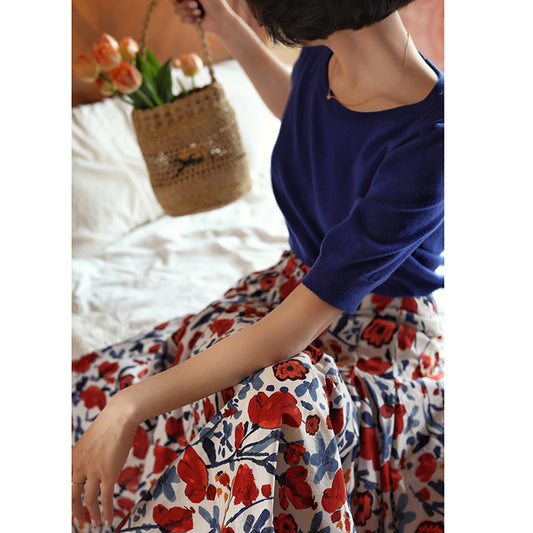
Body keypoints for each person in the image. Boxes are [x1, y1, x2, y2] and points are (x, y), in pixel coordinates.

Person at [71, 0, 445, 531]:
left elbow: (288, 334)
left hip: (379, 340)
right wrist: (225, 26)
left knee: (277, 394)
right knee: (213, 350)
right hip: (291, 286)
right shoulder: (325, 60)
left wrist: (129, 406)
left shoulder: (433, 143)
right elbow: (302, 109)